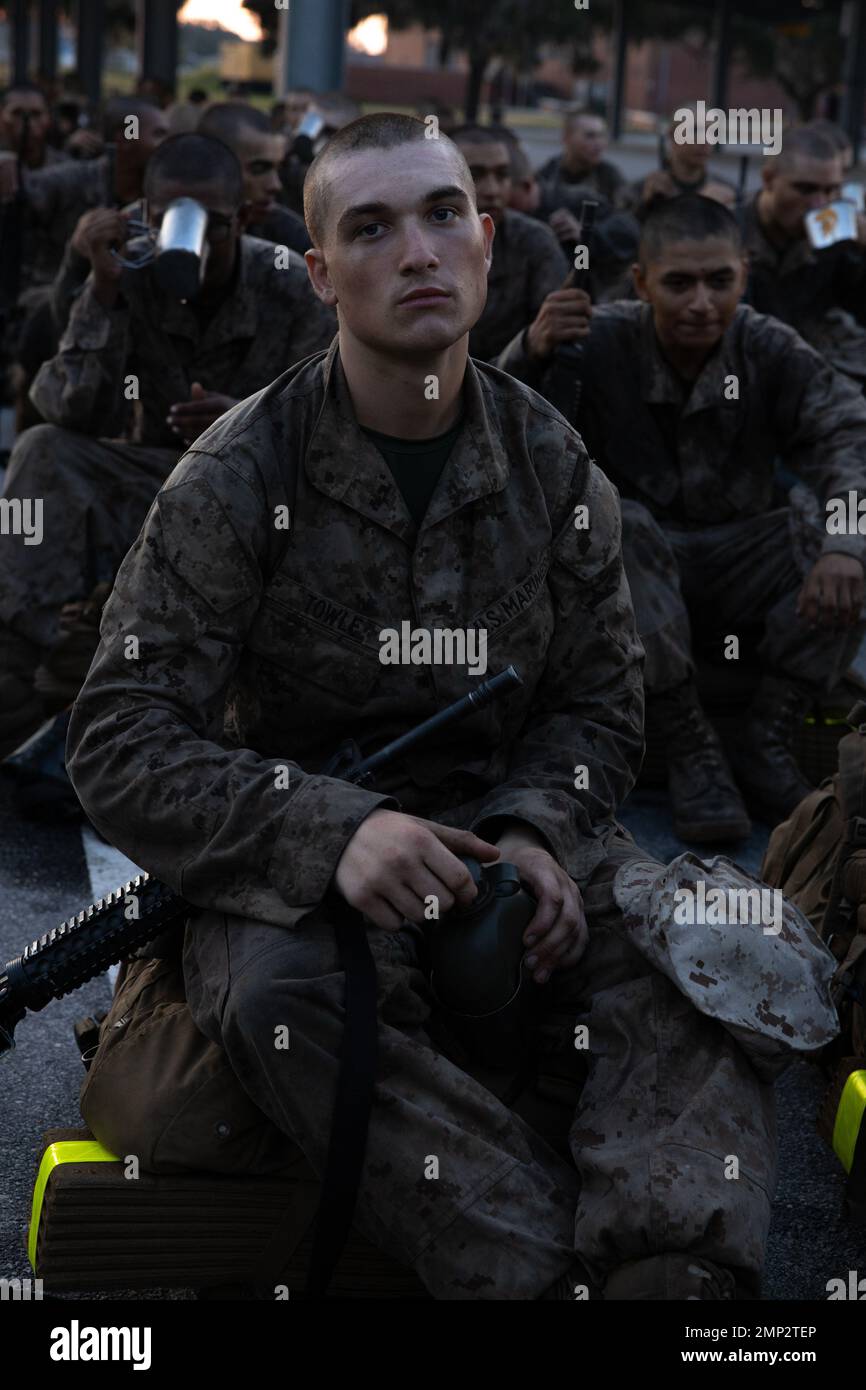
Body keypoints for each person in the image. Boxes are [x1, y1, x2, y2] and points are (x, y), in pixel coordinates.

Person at [66, 114, 792, 1302]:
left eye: (442, 214)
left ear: (485, 237)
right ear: (317, 273)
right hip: (299, 854)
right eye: (370, 227)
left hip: (499, 823)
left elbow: (600, 707)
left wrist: (535, 831)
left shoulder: (552, 464)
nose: (416, 252)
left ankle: (673, 1273)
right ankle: (528, 1265)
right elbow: (119, 733)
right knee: (282, 999)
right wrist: (331, 829)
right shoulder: (239, 474)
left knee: (704, 948)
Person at [499, 194, 866, 839]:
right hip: (633, 570)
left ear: (743, 276)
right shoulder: (599, 338)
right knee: (615, 517)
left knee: (844, 529)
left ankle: (768, 736)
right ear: (642, 282)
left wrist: (843, 544)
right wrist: (529, 348)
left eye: (719, 282)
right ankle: (690, 743)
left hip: (741, 558)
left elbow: (846, 439)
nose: (701, 303)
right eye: (680, 283)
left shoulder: (767, 347)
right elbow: (500, 430)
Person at [0, 133, 336, 757]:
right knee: (44, 450)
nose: (194, 236)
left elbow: (338, 420)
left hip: (262, 491)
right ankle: (15, 682)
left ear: (243, 218)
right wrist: (101, 290)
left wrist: (245, 417)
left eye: (212, 220)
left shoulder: (286, 281)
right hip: (157, 481)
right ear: (144, 215)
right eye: (173, 216)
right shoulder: (131, 273)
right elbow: (70, 407)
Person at [450, 124, 589, 364]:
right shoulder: (418, 246)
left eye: (502, 175)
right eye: (475, 175)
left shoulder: (533, 241)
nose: (493, 190)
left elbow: (553, 338)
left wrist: (529, 346)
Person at [740, 126, 866, 386]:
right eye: (805, 189)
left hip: (809, 376)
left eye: (831, 191)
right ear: (768, 179)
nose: (820, 204)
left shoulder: (834, 241)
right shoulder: (728, 235)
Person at [197, 101, 310, 255]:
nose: (275, 185)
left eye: (278, 168)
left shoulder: (289, 235)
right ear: (213, 167)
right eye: (259, 169)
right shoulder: (171, 229)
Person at [626, 107, 737, 220]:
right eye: (695, 131)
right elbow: (622, 231)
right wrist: (644, 207)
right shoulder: (641, 191)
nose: (704, 141)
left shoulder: (726, 194)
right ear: (672, 135)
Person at [535, 108, 627, 215]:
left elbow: (625, 220)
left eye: (602, 136)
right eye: (590, 136)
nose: (599, 144)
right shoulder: (547, 174)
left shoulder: (610, 176)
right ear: (566, 138)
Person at [0, 81, 68, 168]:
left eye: (36, 114)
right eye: (17, 113)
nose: (29, 123)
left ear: (49, 118)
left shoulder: (66, 165)